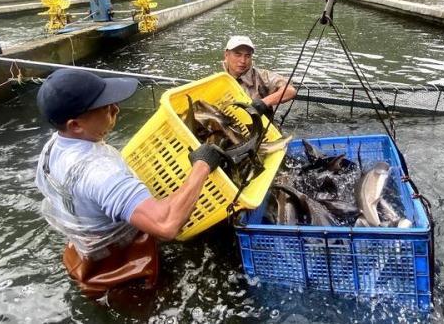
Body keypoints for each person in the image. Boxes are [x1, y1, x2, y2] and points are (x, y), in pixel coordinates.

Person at [34, 68, 222, 298]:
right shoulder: (100, 173)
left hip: (83, 256)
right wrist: (202, 165)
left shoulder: (52, 147)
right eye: (105, 107)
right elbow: (167, 225)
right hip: (123, 271)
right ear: (75, 125)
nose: (116, 108)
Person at [223, 35, 296, 116]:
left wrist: (264, 102)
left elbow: (290, 91)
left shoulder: (263, 76)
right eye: (238, 55)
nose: (243, 61)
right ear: (226, 55)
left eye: (247, 56)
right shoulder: (218, 81)